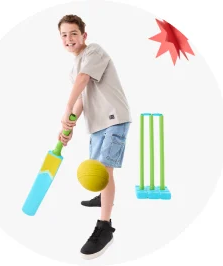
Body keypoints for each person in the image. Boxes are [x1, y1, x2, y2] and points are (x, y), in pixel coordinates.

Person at [57, 14, 132, 259]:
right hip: (97, 124)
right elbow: (81, 99)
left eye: (73, 33)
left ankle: (105, 228)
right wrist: (68, 126)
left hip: (114, 118)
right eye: (64, 35)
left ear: (84, 36)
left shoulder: (94, 52)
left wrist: (66, 108)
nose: (69, 38)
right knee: (99, 170)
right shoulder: (74, 68)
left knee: (104, 171)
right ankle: (103, 196)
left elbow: (83, 80)